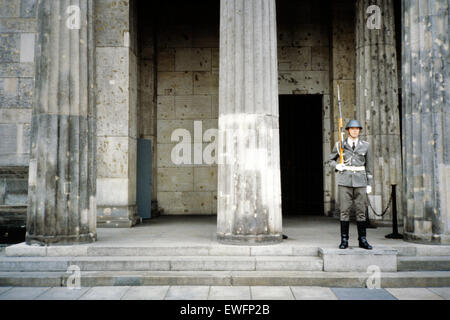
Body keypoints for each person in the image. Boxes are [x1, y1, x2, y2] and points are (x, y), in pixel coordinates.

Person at [329, 120, 373, 250]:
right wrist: (337, 165)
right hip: (345, 182)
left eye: (357, 129)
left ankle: (362, 239)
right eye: (352, 129)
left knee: (361, 212)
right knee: (344, 212)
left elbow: (368, 166)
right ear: (347, 130)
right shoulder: (340, 145)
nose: (355, 131)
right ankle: (344, 240)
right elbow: (330, 160)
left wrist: (369, 183)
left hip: (360, 182)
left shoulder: (366, 146)